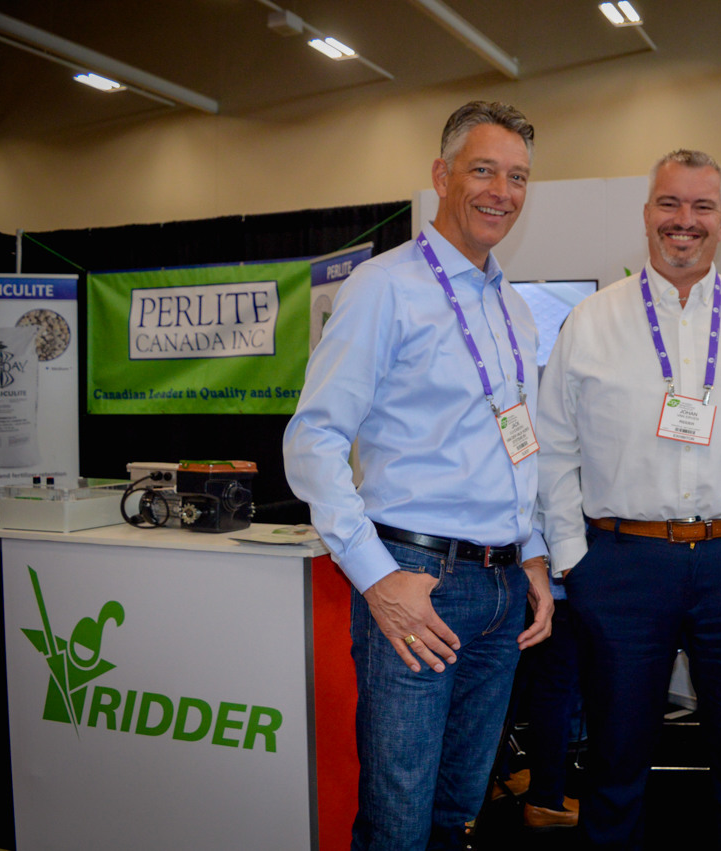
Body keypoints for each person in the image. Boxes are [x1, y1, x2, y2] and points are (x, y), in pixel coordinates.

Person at [536, 149, 721, 849]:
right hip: (622, 564)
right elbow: (553, 449)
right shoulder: (591, 321)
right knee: (615, 754)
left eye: (702, 206)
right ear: (647, 214)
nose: (685, 220)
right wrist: (576, 558)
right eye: (670, 203)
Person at [283, 100, 553, 851]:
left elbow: (513, 443)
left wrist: (531, 553)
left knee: (458, 810)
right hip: (418, 580)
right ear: (441, 175)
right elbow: (313, 439)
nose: (502, 191)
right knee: (398, 818)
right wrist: (377, 578)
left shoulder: (513, 307)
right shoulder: (384, 286)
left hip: (501, 588)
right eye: (483, 170)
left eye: (518, 177)